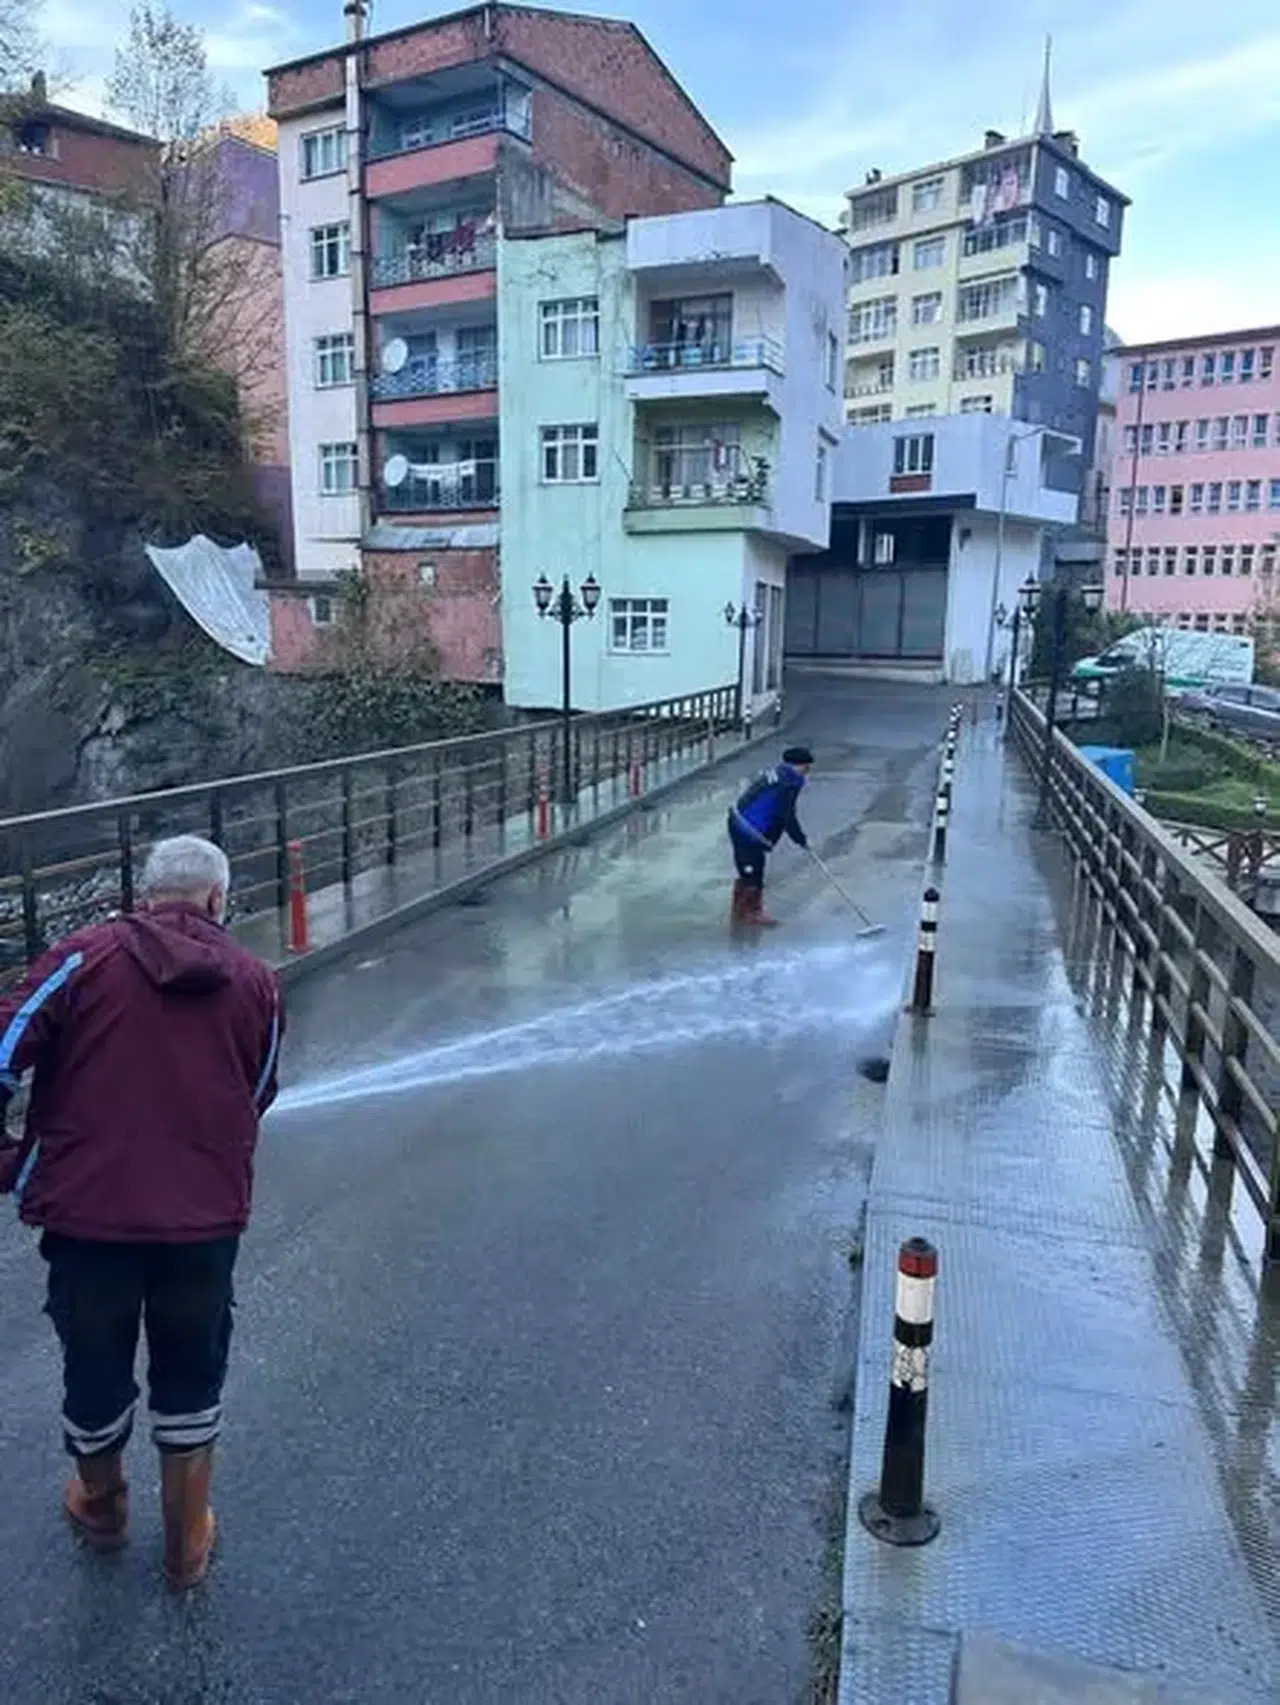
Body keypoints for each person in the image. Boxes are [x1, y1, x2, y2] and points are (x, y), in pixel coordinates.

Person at [0, 835, 283, 1590]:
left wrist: (8, 1150)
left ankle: (102, 1507)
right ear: (219, 900)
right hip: (203, 1226)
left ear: (144, 893)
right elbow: (259, 1092)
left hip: (88, 1221)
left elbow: (2, 1045)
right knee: (193, 1372)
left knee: (93, 1368)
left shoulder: (80, 957)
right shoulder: (257, 980)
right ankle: (187, 1543)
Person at [727, 746, 814, 926]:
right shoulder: (787, 783)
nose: (807, 772)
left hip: (740, 822)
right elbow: (786, 816)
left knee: (750, 869)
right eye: (806, 767)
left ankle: (741, 910)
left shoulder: (778, 774)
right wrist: (801, 839)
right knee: (753, 873)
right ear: (797, 766)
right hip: (748, 830)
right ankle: (749, 914)